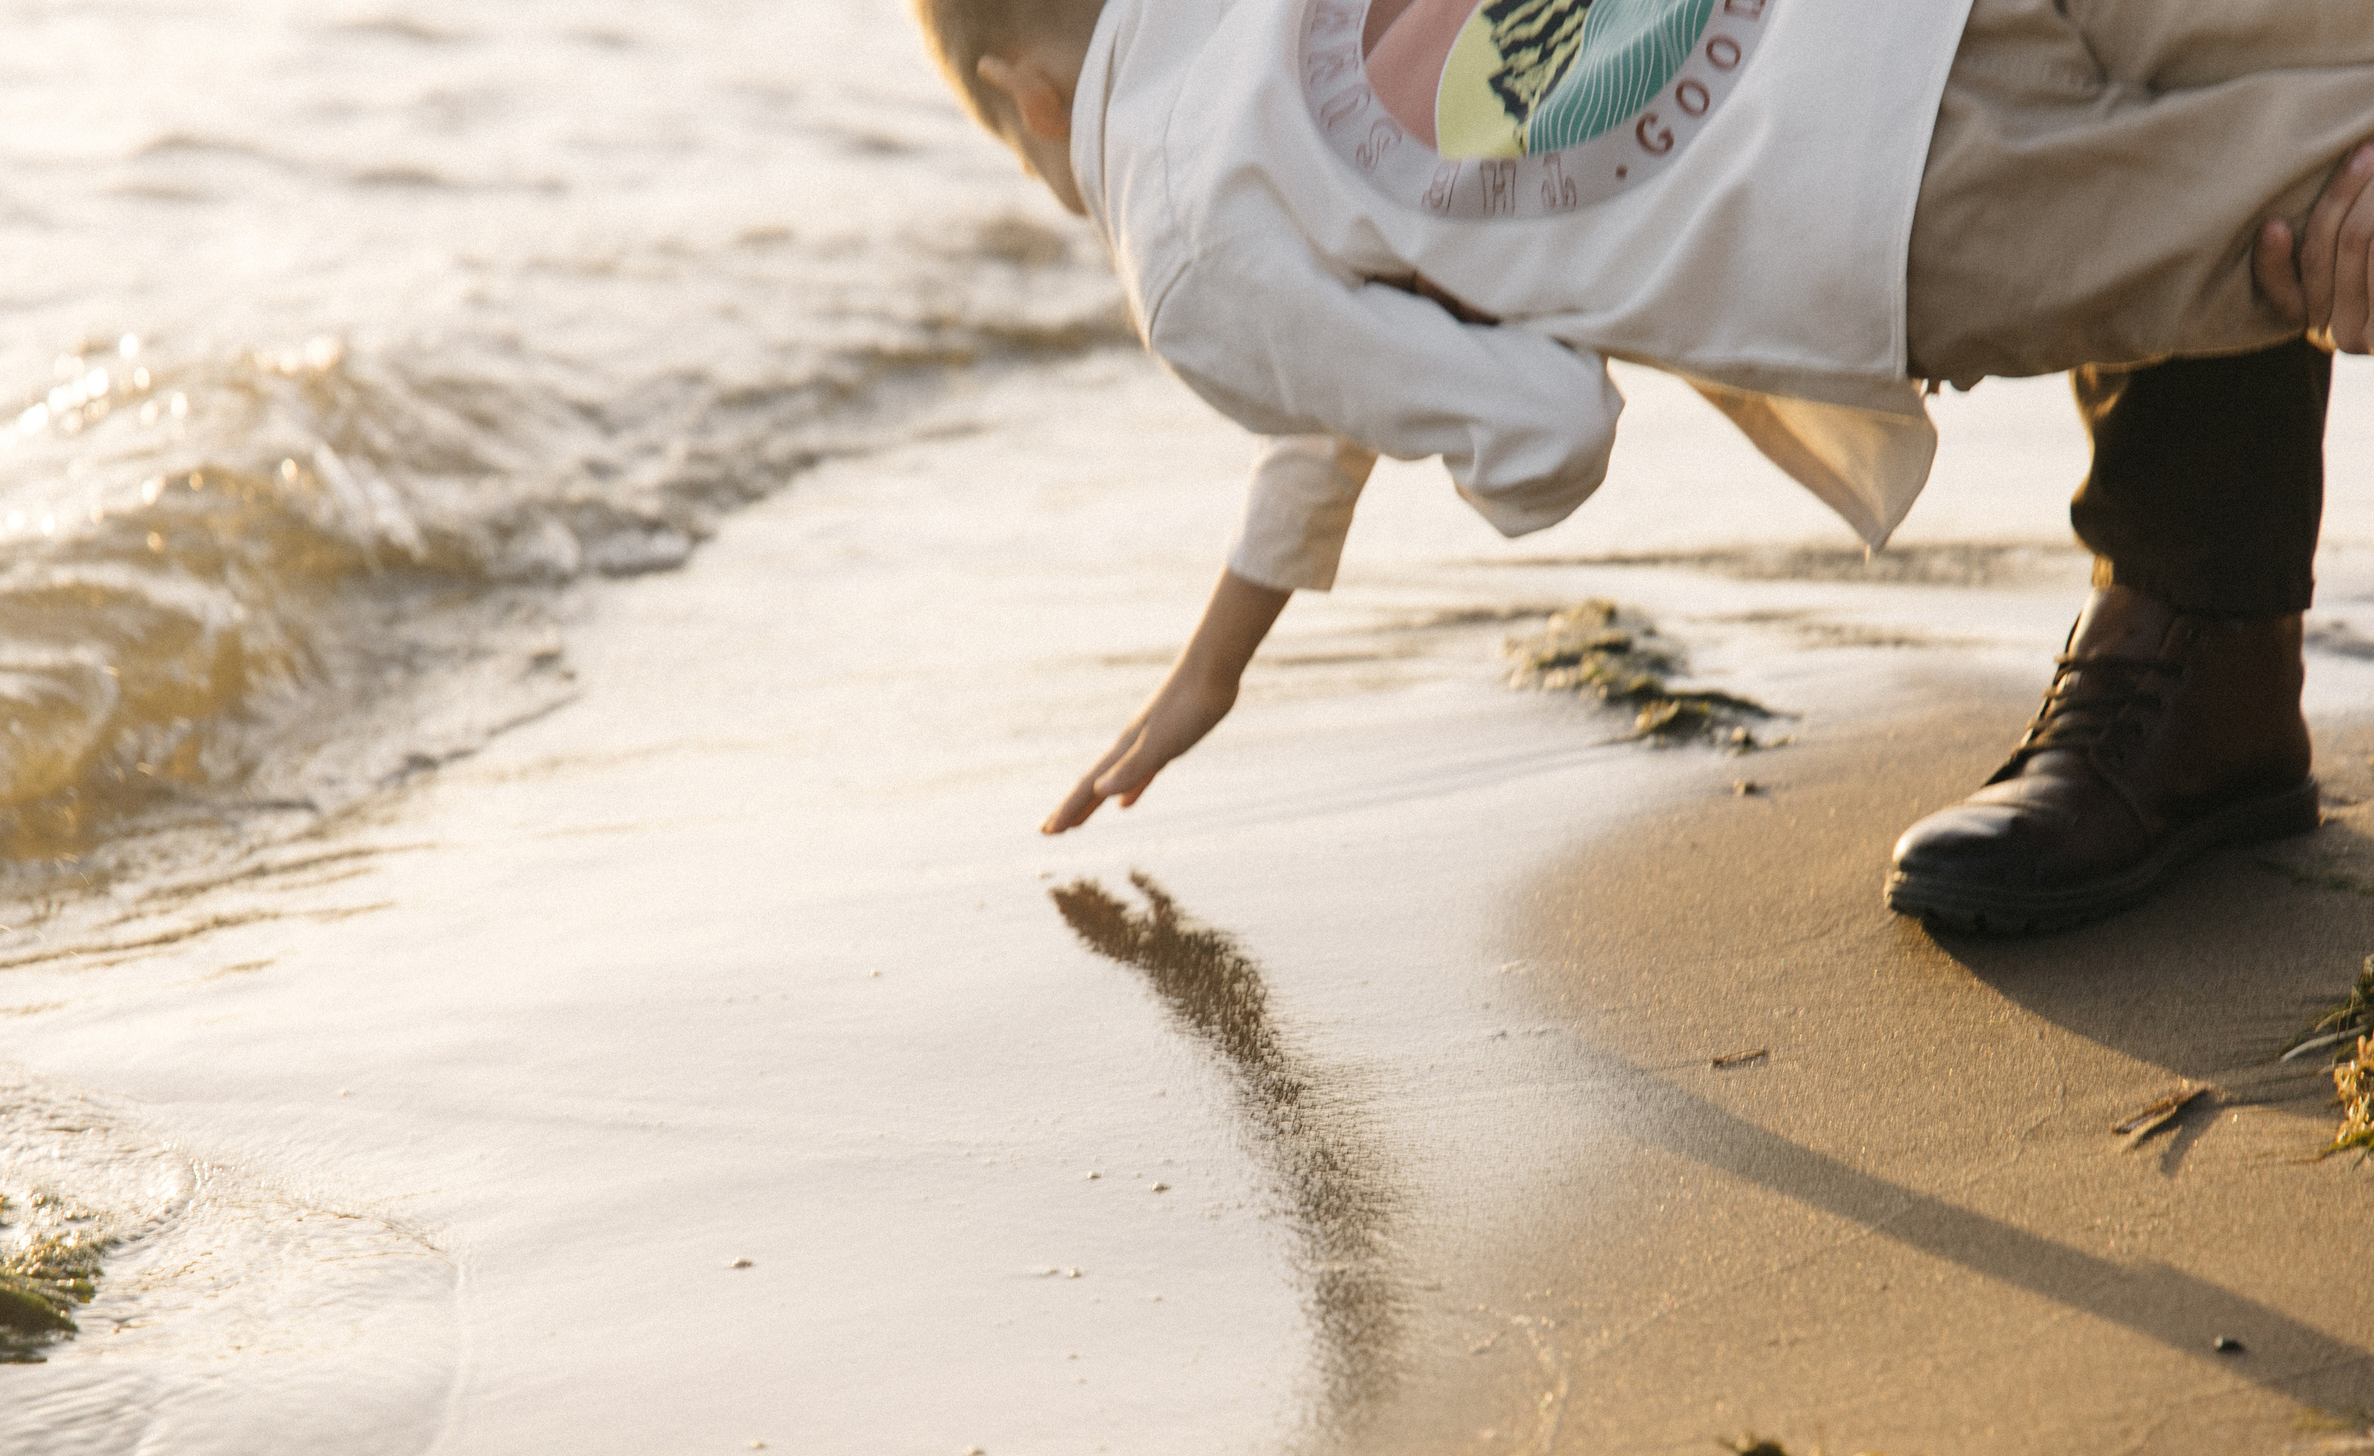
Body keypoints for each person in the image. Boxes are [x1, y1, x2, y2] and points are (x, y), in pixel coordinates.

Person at [914, 0, 2374, 932]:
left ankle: (2206, 644)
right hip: (1888, 34)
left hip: (1867, 204)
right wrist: (1218, 655)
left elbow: (1546, 432)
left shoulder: (1172, 256)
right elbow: (1341, 314)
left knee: (2308, 225)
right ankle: (2208, 639)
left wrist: (1506, 358)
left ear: (1028, 101)